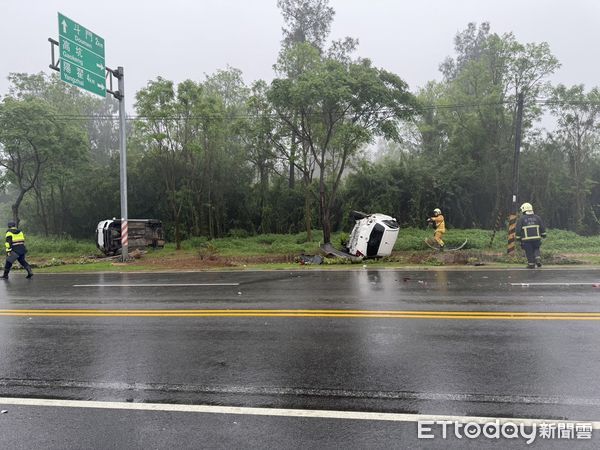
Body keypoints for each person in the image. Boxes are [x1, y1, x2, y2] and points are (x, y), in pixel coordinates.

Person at [516, 202, 546, 269]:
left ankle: (531, 264)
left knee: (529, 251)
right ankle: (538, 258)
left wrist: (518, 238)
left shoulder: (521, 219)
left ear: (524, 209)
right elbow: (542, 227)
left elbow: (518, 229)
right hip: (537, 239)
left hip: (526, 240)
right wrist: (544, 235)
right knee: (536, 248)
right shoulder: (537, 218)